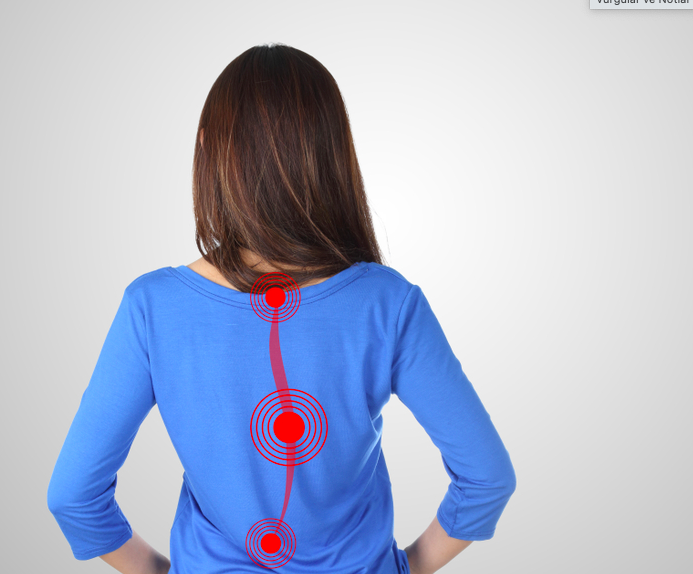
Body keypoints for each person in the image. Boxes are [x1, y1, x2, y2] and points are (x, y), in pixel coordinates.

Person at [46, 43, 516, 574]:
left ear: (207, 148)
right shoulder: (387, 303)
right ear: (333, 153)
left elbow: (73, 496)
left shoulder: (153, 308)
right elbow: (487, 478)